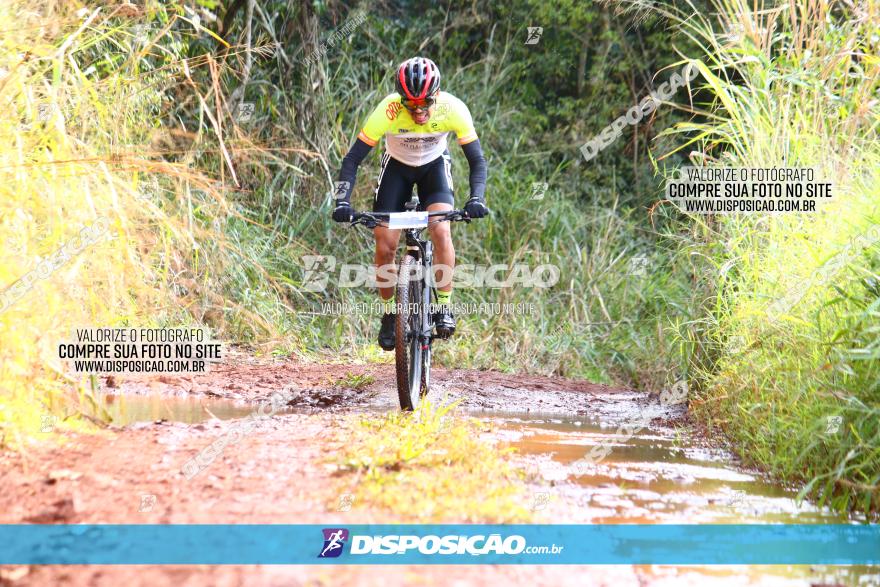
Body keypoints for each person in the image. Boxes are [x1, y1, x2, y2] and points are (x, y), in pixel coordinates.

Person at [331, 56, 489, 350]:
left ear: (437, 96)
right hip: (397, 169)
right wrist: (342, 200)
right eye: (411, 104)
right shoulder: (388, 110)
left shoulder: (452, 109)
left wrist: (476, 197)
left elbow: (477, 160)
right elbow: (352, 159)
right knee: (385, 245)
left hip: (434, 168)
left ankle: (443, 305)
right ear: (400, 99)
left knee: (441, 230)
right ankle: (391, 314)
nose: (418, 111)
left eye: (425, 103)